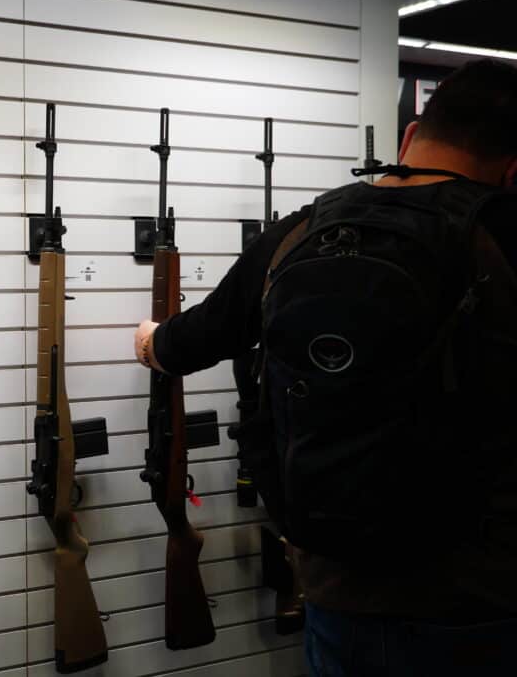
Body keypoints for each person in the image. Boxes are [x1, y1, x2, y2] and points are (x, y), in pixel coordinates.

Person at [133, 59, 517, 677]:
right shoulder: (498, 239)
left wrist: (149, 339)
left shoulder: (307, 227)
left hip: (338, 589)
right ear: (511, 169)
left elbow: (180, 346)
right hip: (480, 598)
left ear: (410, 136)